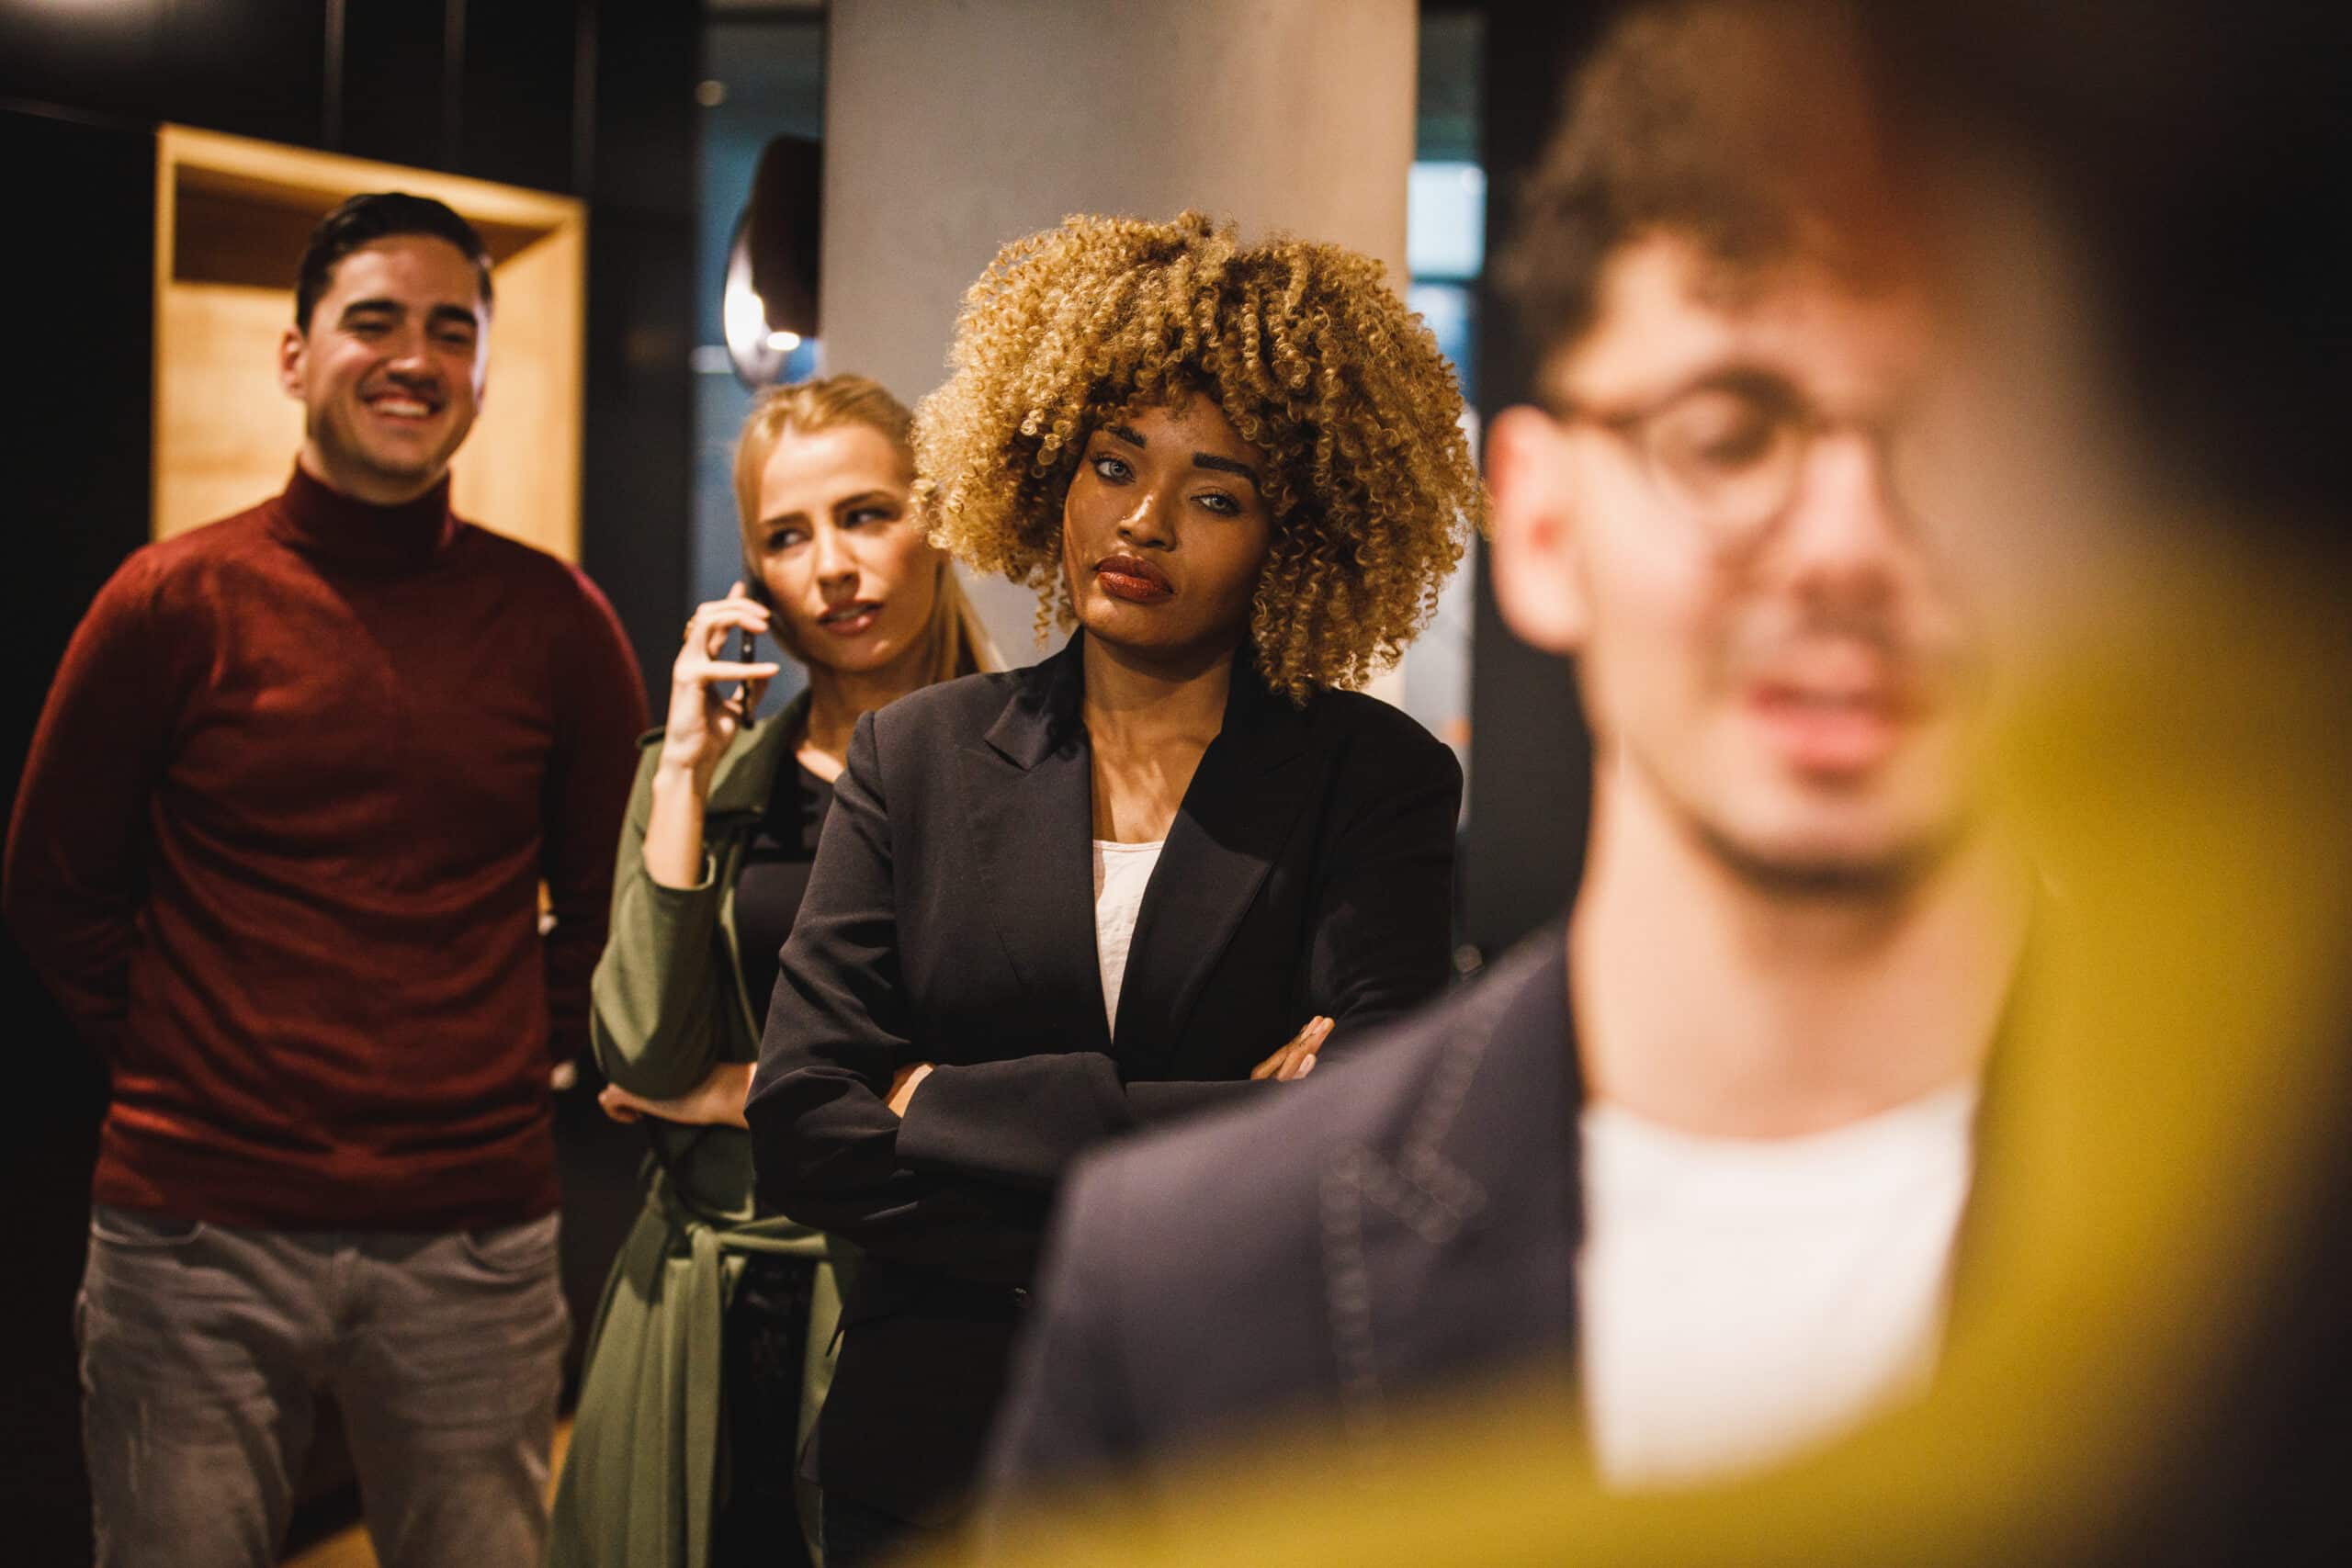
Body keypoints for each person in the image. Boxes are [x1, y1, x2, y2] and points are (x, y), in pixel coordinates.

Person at [981, 0, 2035, 1512]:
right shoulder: (1195, 1280)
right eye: (1728, 430)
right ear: (1540, 524)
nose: (1847, 549)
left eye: (1955, 441)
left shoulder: (2261, 1247)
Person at [741, 210, 1486, 1563]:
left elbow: (1363, 1144)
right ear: (1048, 474)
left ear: (1292, 536)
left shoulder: (1368, 776)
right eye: (1111, 466)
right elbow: (801, 1121)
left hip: (1237, 1458)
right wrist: (1220, 1129)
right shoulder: (920, 757)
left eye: (1216, 493)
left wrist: (940, 1107)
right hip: (933, 1453)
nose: (1141, 522)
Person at [2, 191, 646, 1568]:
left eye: (450, 329)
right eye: (373, 321)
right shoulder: (173, 600)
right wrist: (192, 1057)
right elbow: (56, 884)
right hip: (192, 1240)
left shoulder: (559, 623)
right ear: (295, 356)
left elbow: (607, 912)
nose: (414, 356)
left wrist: (500, 1057)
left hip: (472, 1235)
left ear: (479, 370)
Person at [548, 374, 998, 1568]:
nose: (831, 569)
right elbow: (641, 1053)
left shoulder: (1032, 765)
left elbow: (1031, 1082)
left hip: (919, 1300)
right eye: (786, 538)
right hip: (693, 1304)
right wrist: (688, 765)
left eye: (865, 515)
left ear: (938, 518)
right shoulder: (716, 778)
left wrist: (731, 1090)